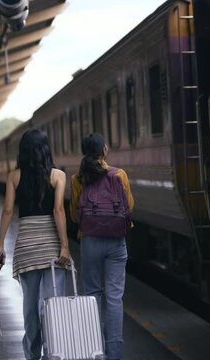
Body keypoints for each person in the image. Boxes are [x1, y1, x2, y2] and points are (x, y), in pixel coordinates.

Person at [0, 128, 71, 360]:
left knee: (30, 305)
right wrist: (65, 246)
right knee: (51, 303)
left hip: (27, 247)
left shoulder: (14, 176)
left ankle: (32, 353)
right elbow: (58, 210)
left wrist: (0, 246)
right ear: (45, 149)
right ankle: (53, 352)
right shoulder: (58, 175)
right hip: (51, 247)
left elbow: (8, 210)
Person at [70, 133, 134, 360]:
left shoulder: (78, 179)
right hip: (117, 243)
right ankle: (114, 353)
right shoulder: (119, 175)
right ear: (104, 150)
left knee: (92, 295)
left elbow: (75, 215)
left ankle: (95, 351)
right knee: (115, 299)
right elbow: (130, 207)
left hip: (90, 241)